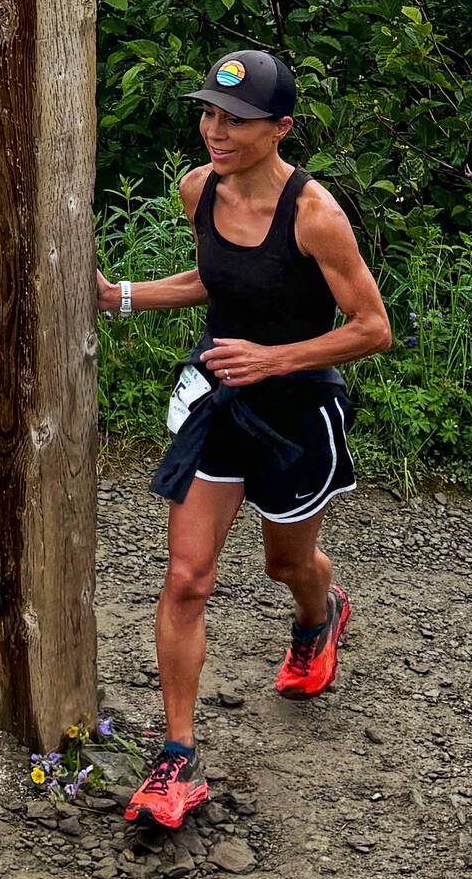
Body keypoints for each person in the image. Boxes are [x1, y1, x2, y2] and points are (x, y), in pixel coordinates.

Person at [94, 49, 392, 830]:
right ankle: (177, 758)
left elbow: (373, 328)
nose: (215, 131)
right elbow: (214, 278)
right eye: (209, 114)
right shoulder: (199, 187)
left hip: (296, 414)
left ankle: (318, 613)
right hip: (221, 404)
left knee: (284, 561)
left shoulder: (315, 214)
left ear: (281, 127)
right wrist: (117, 295)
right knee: (188, 575)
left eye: (236, 120)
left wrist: (274, 358)